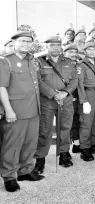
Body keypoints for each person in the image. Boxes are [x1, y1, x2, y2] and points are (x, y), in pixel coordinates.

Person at [0, 31, 45, 192]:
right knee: (12, 144)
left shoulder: (31, 61)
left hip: (33, 109)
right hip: (16, 112)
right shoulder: (6, 61)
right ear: (14, 42)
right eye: (23, 41)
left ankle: (25, 170)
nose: (26, 44)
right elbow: (1, 87)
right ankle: (9, 176)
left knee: (29, 143)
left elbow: (37, 84)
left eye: (29, 42)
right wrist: (8, 110)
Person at [32, 36, 79, 175]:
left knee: (65, 127)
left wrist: (65, 93)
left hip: (66, 100)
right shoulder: (39, 62)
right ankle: (40, 158)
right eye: (52, 45)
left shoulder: (68, 62)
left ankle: (64, 153)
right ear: (47, 47)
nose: (55, 48)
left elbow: (75, 80)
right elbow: (38, 81)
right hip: (47, 100)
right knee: (45, 129)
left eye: (58, 45)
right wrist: (53, 94)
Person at [77, 42, 95, 161]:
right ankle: (85, 148)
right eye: (89, 50)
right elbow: (79, 84)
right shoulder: (81, 65)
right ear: (85, 51)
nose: (92, 52)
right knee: (86, 122)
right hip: (88, 93)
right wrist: (84, 100)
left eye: (94, 49)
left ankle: (93, 143)